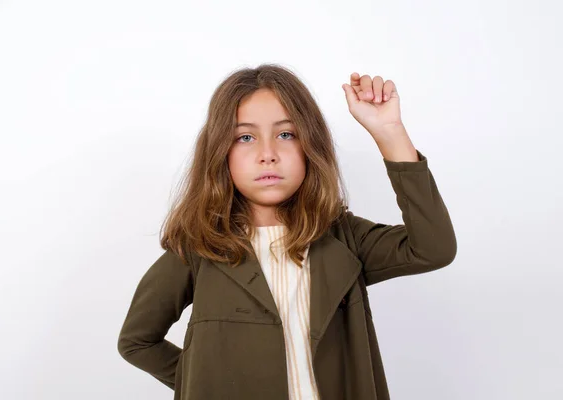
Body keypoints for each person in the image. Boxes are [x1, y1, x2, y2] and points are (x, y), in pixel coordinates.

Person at [117, 64, 457, 400]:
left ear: (310, 146)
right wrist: (209, 382)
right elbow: (137, 341)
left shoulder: (344, 237)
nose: (268, 155)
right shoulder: (200, 249)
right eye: (245, 137)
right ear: (221, 152)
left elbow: (433, 248)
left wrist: (390, 133)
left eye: (286, 134)